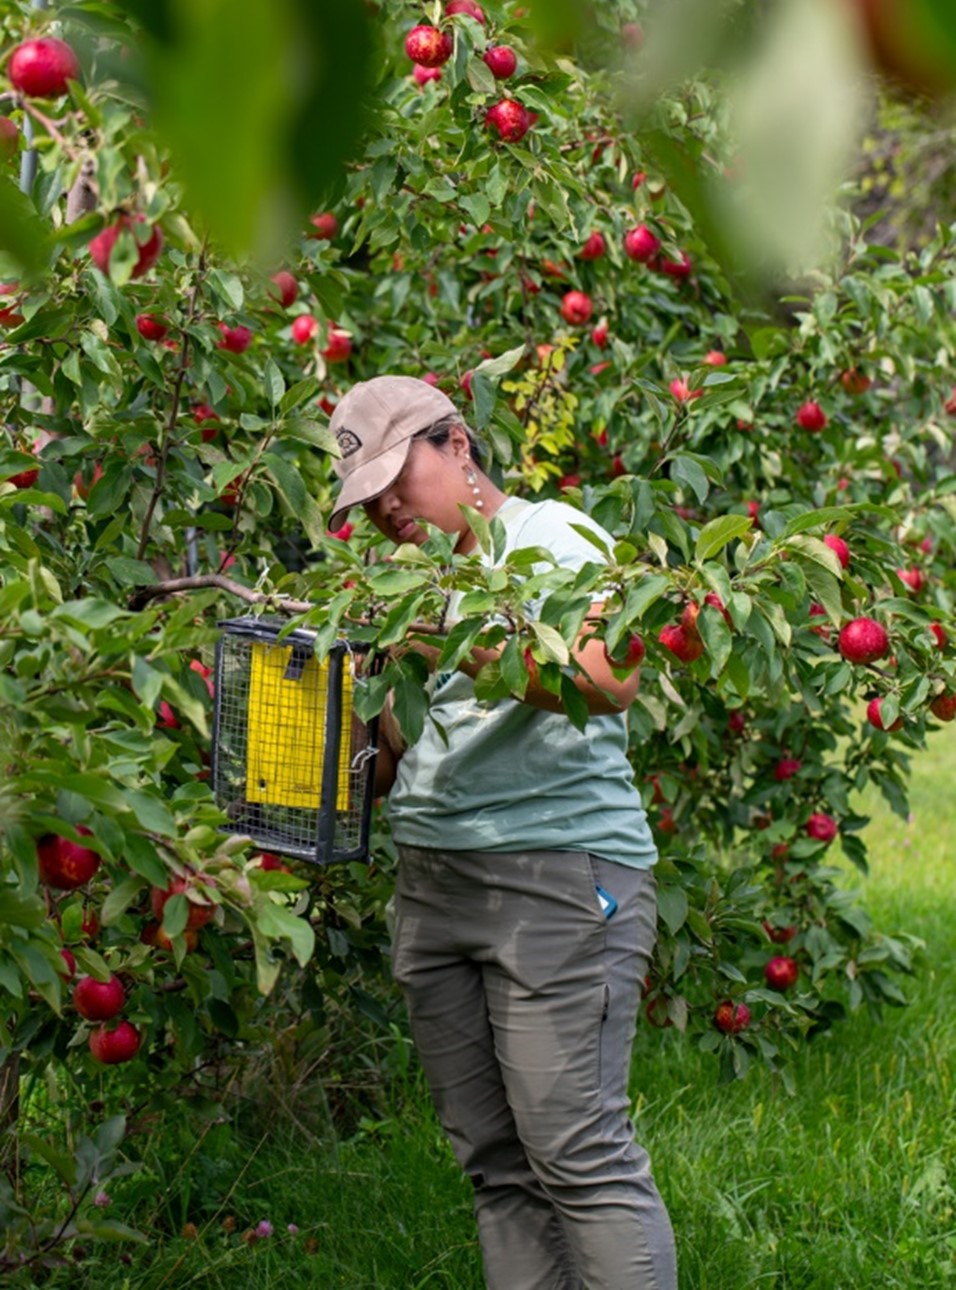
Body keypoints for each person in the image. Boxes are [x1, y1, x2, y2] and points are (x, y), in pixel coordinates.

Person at [328, 375, 677, 1290]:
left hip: (557, 879)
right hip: (434, 887)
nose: (388, 509)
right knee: (495, 1160)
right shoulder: (407, 589)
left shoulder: (550, 536)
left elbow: (608, 679)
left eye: (399, 479)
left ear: (456, 445)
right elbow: (403, 752)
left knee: (578, 1152)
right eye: (369, 502)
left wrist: (453, 633)